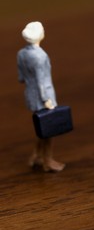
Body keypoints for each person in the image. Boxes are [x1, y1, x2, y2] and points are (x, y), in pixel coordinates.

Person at [17, 21, 65, 172]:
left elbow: (21, 78)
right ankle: (47, 161)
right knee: (48, 130)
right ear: (40, 35)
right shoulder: (40, 56)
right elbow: (41, 80)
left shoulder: (21, 53)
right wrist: (47, 100)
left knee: (41, 128)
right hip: (43, 97)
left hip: (30, 95)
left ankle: (35, 157)